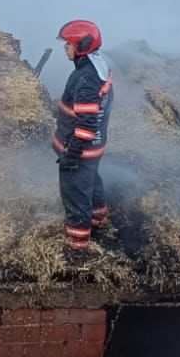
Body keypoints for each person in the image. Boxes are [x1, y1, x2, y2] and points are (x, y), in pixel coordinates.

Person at [53, 20, 114, 260]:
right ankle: (99, 222)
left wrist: (71, 154)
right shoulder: (99, 67)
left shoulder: (86, 78)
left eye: (68, 44)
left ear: (82, 45)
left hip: (80, 151)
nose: (65, 48)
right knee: (92, 184)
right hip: (95, 149)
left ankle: (76, 252)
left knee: (76, 195)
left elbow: (87, 122)